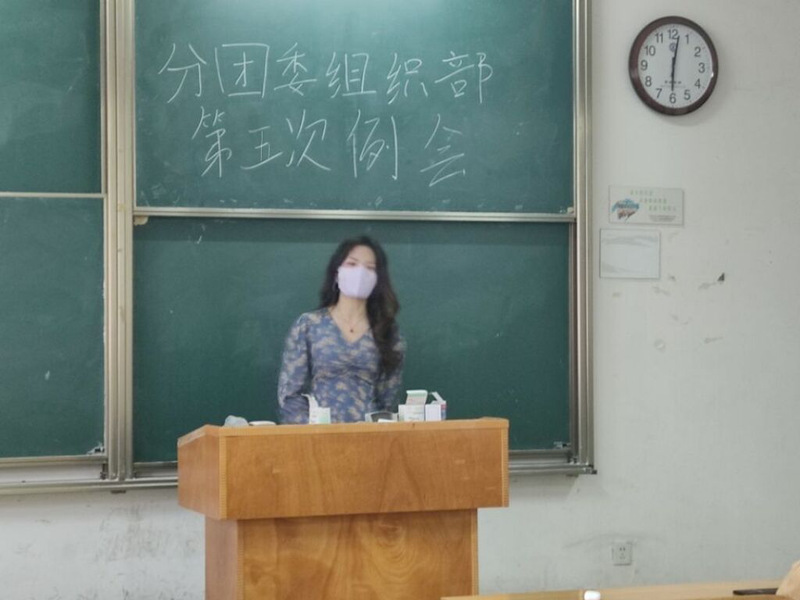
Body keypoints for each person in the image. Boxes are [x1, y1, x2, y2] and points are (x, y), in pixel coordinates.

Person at [277, 236, 405, 423]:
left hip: (369, 435)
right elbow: (290, 396)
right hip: (316, 434)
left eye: (370, 268)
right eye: (352, 264)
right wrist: (313, 432)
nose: (360, 273)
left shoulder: (388, 332)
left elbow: (388, 402)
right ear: (336, 272)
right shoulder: (309, 325)